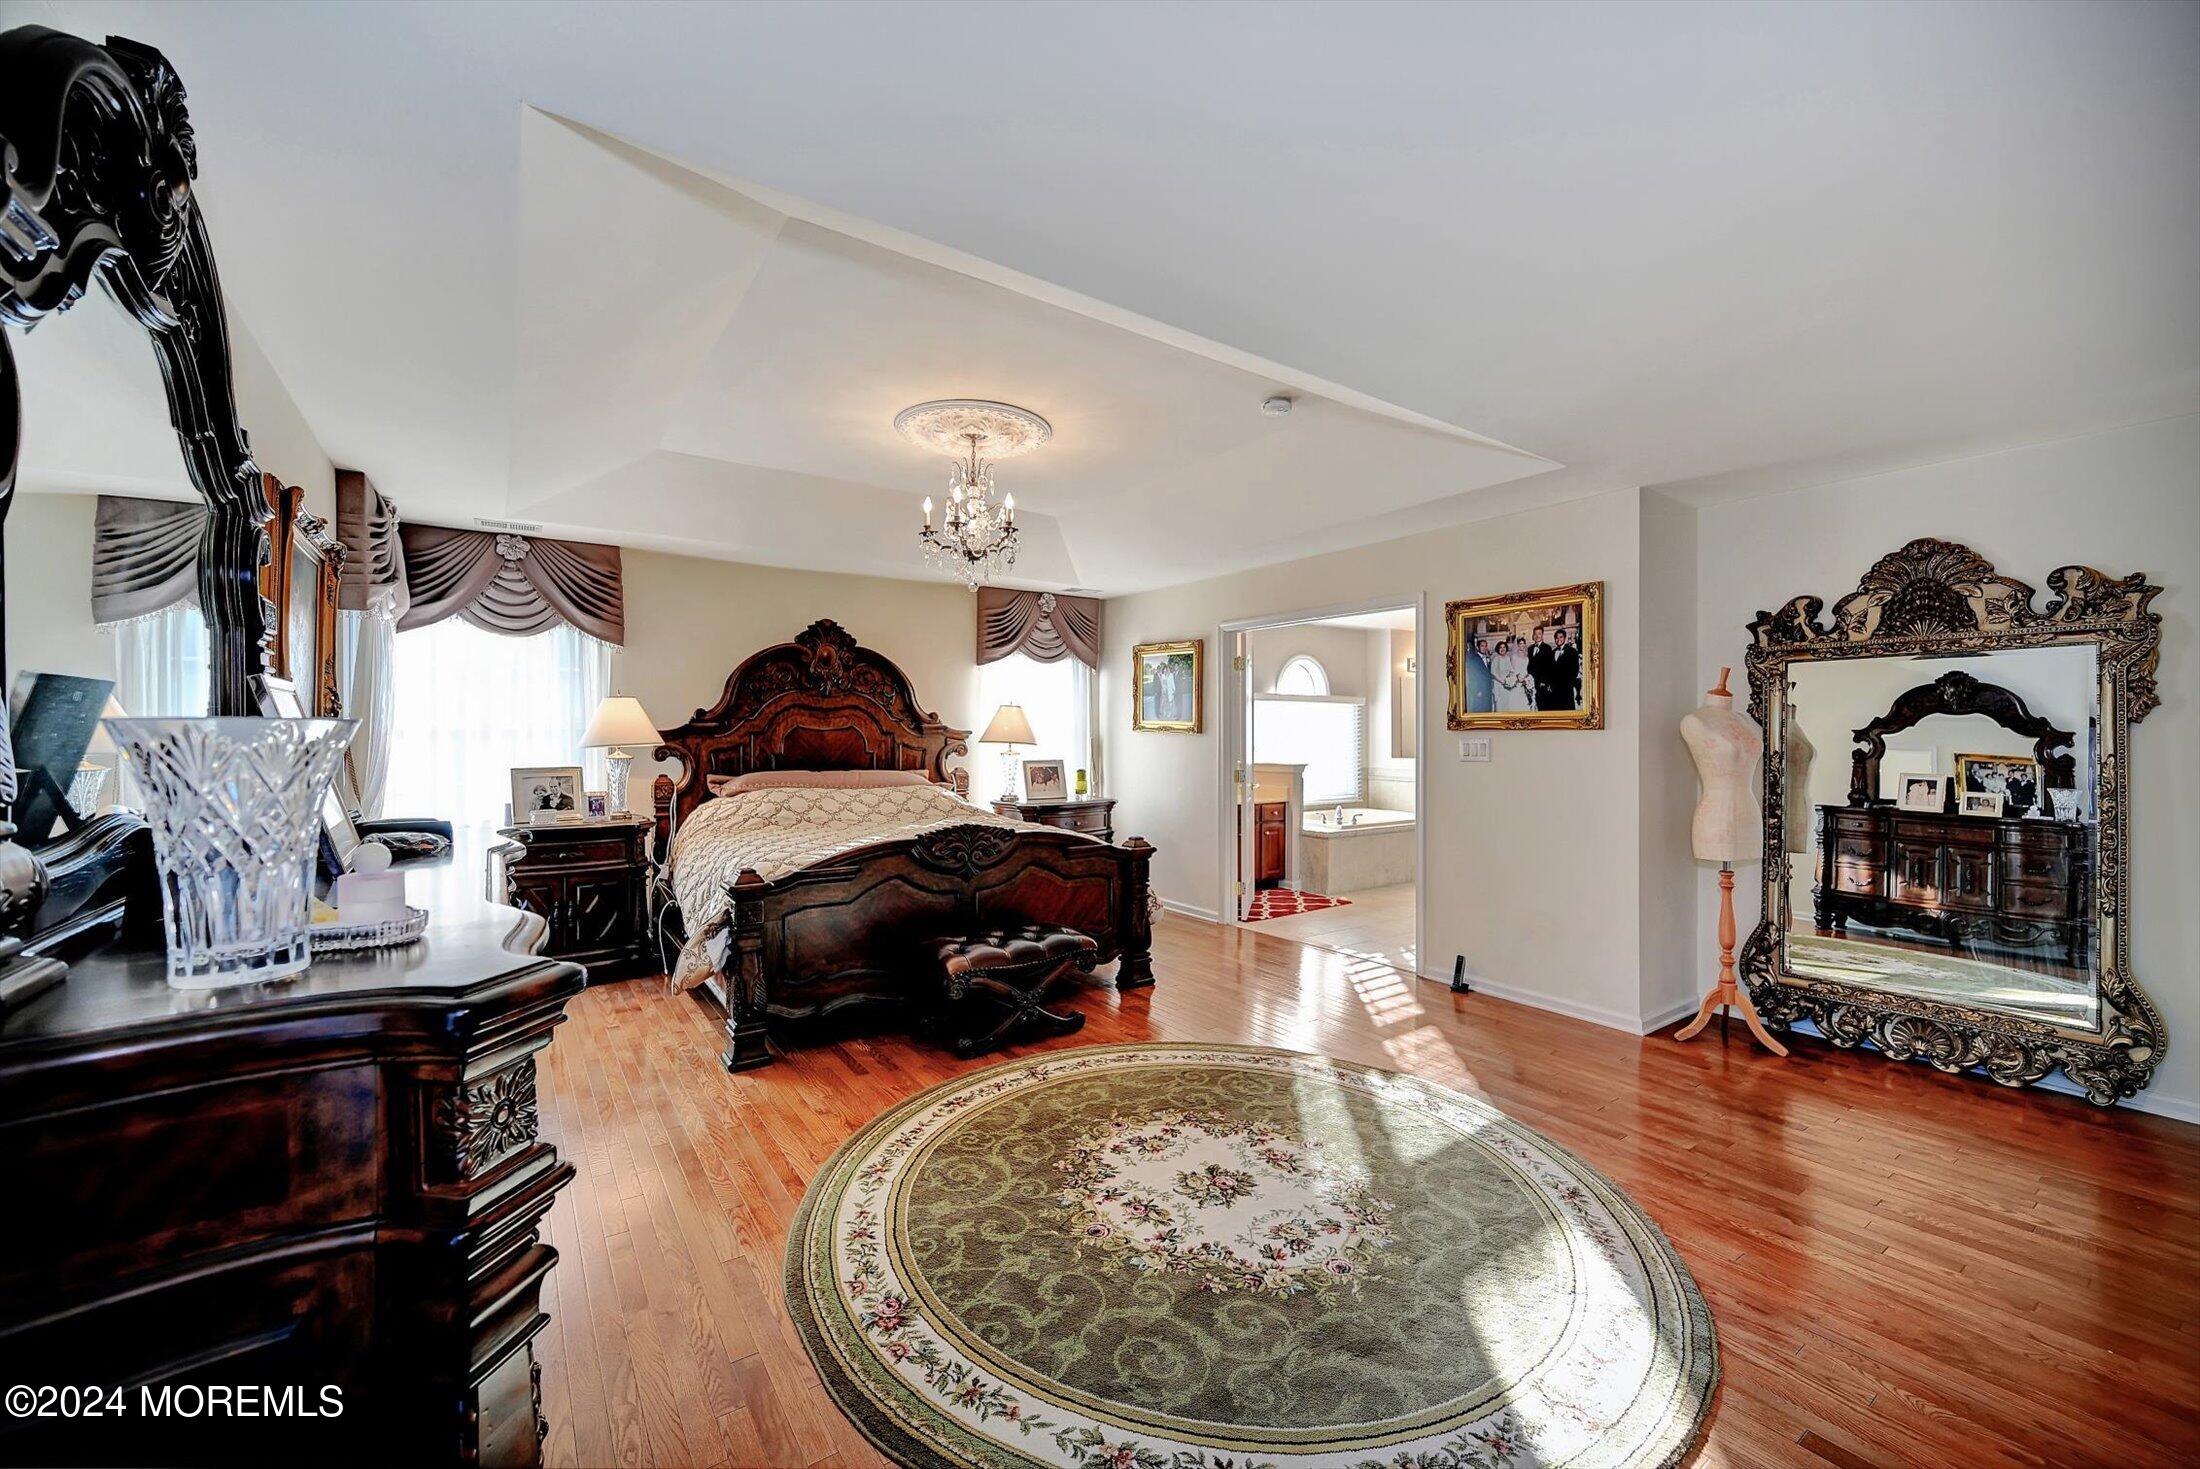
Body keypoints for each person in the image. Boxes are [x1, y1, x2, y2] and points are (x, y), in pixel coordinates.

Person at [1547, 626, 1582, 711]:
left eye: (1561, 637)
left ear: (1565, 638)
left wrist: (1569, 684)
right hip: (1554, 689)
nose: (1558, 639)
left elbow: (1575, 669)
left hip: (1566, 689)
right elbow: (1549, 670)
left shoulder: (1572, 652)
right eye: (1556, 638)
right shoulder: (1552, 652)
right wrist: (1550, 684)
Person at [1494, 636, 1532, 713]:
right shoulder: (1514, 656)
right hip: (1517, 680)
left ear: (1525, 644)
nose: (1522, 645)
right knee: (1515, 701)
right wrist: (1518, 678)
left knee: (1525, 701)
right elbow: (1512, 670)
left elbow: (1527, 669)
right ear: (1517, 645)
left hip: (1525, 680)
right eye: (1520, 644)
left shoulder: (1526, 656)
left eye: (1523, 643)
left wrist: (1527, 678)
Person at [1466, 634, 1495, 712]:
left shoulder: (1488, 658)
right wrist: (1477, 691)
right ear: (1478, 647)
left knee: (1487, 709)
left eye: (1485, 646)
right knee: (1479, 710)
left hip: (1487, 689)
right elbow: (1473, 676)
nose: (1484, 648)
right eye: (1482, 646)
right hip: (1479, 690)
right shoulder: (1473, 659)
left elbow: (1488, 673)